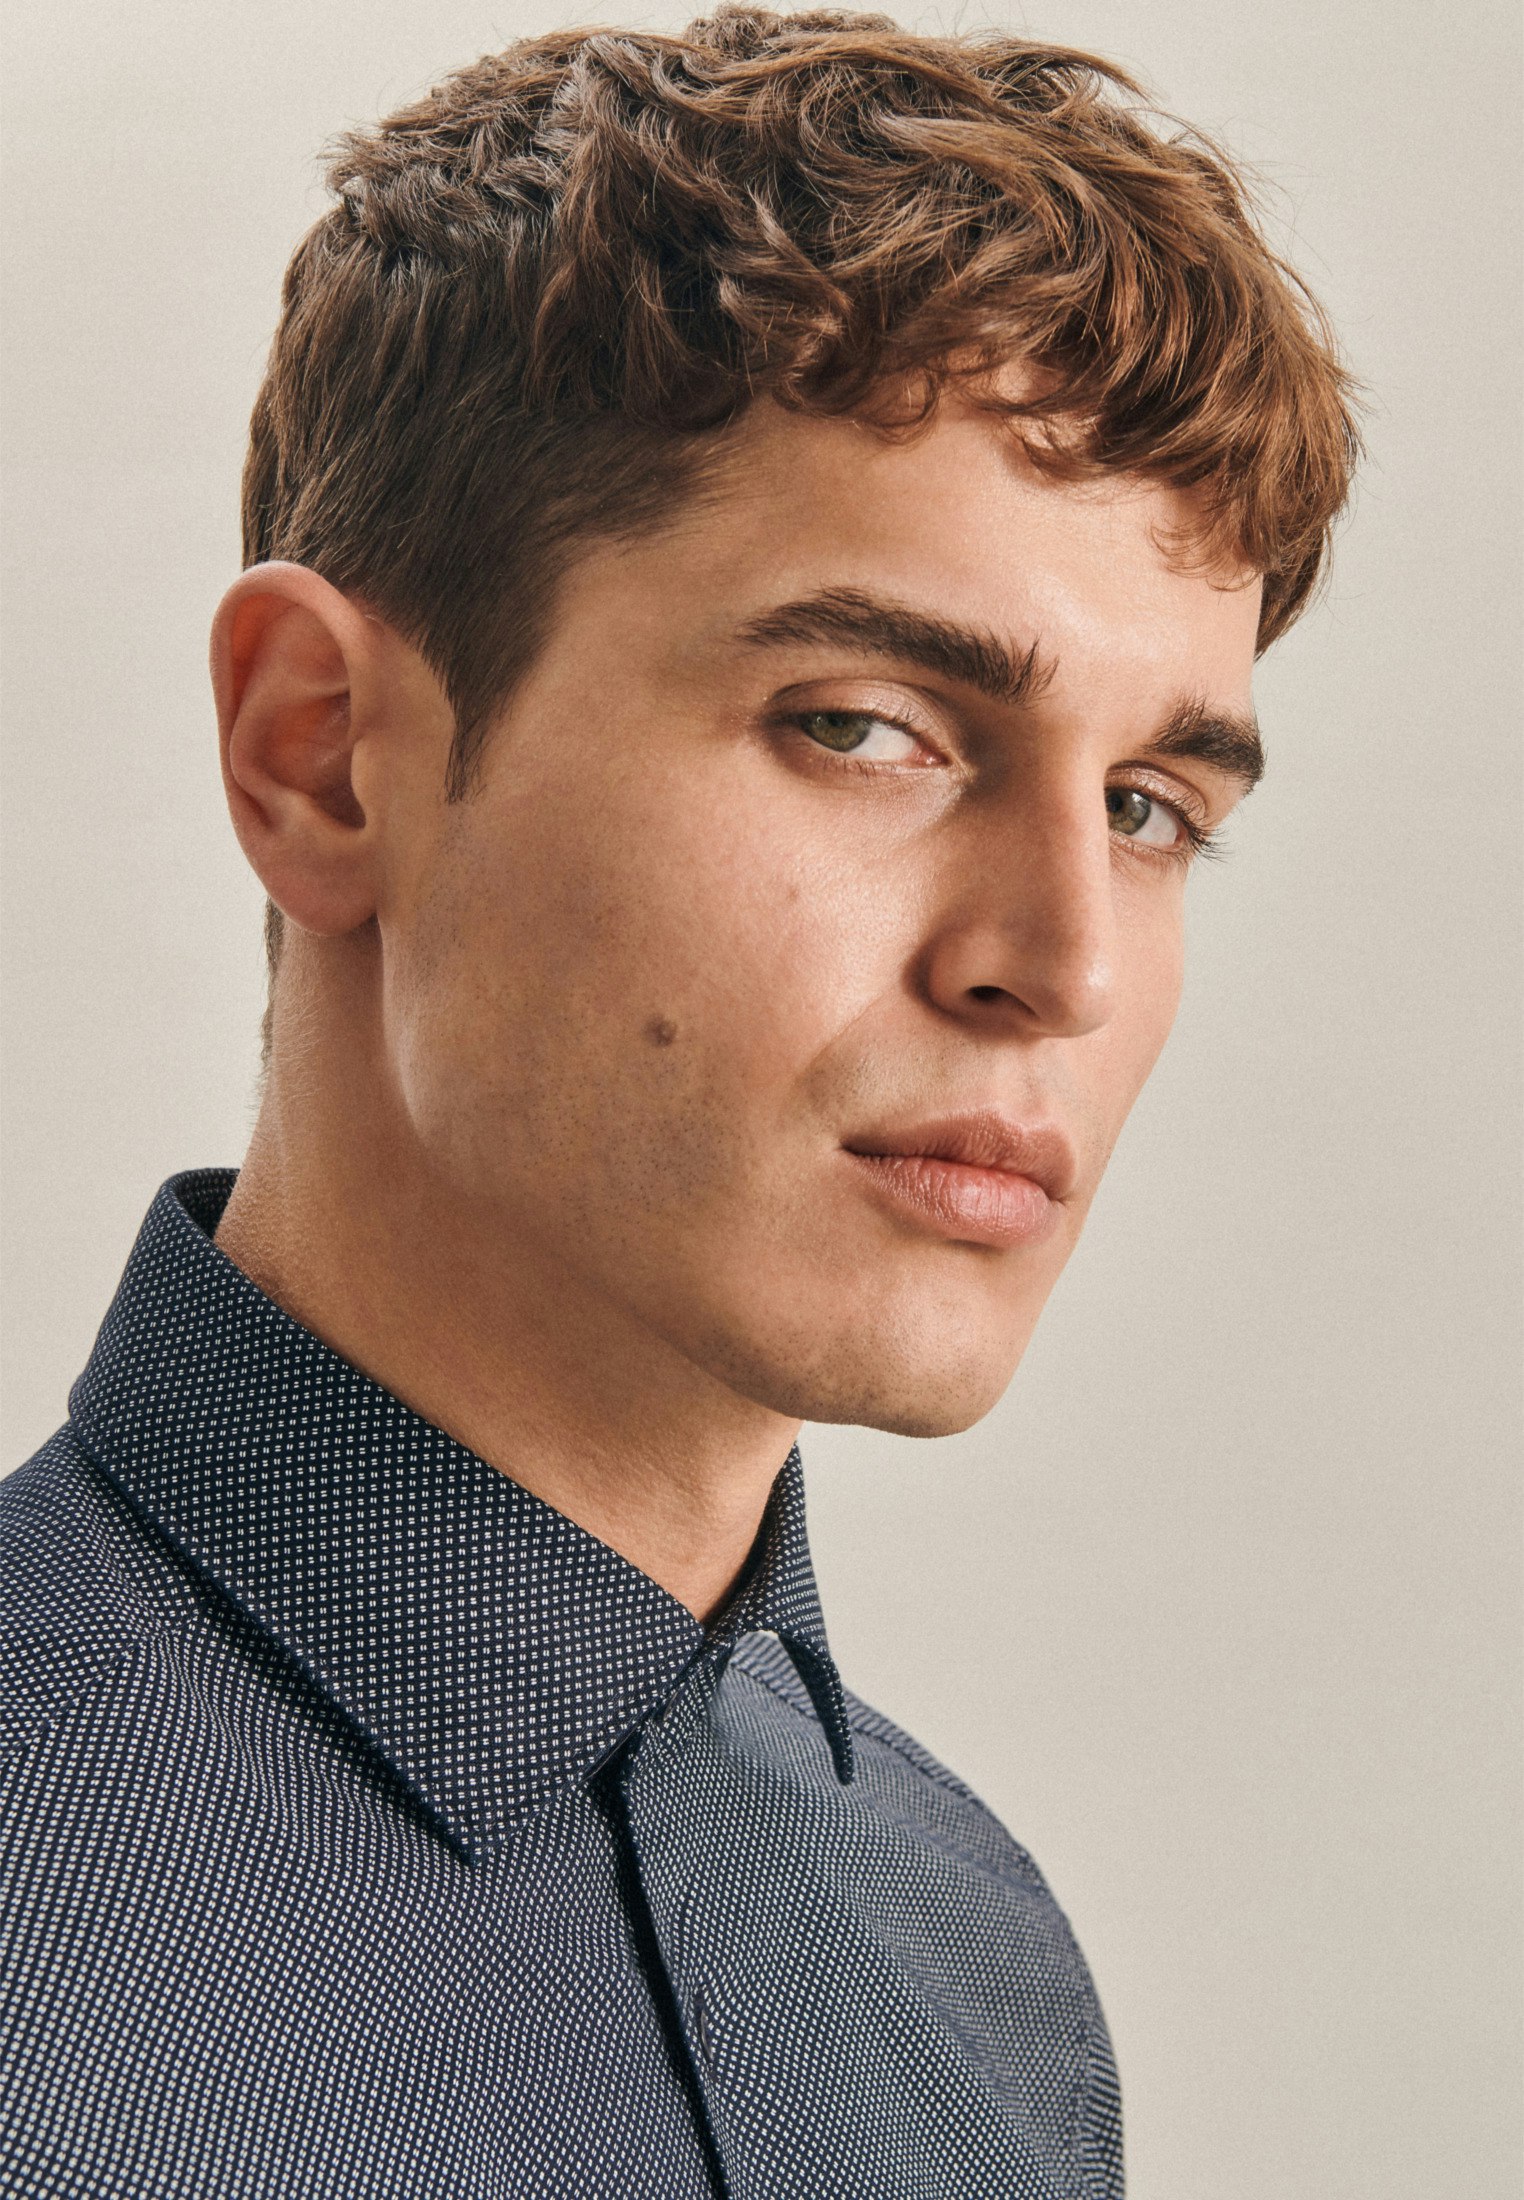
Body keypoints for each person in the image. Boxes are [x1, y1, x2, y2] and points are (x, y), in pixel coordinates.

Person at [0, 9, 1357, 2194]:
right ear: (320, 753)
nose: (1066, 961)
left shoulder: (983, 1974)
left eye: (1147, 804)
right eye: (862, 725)